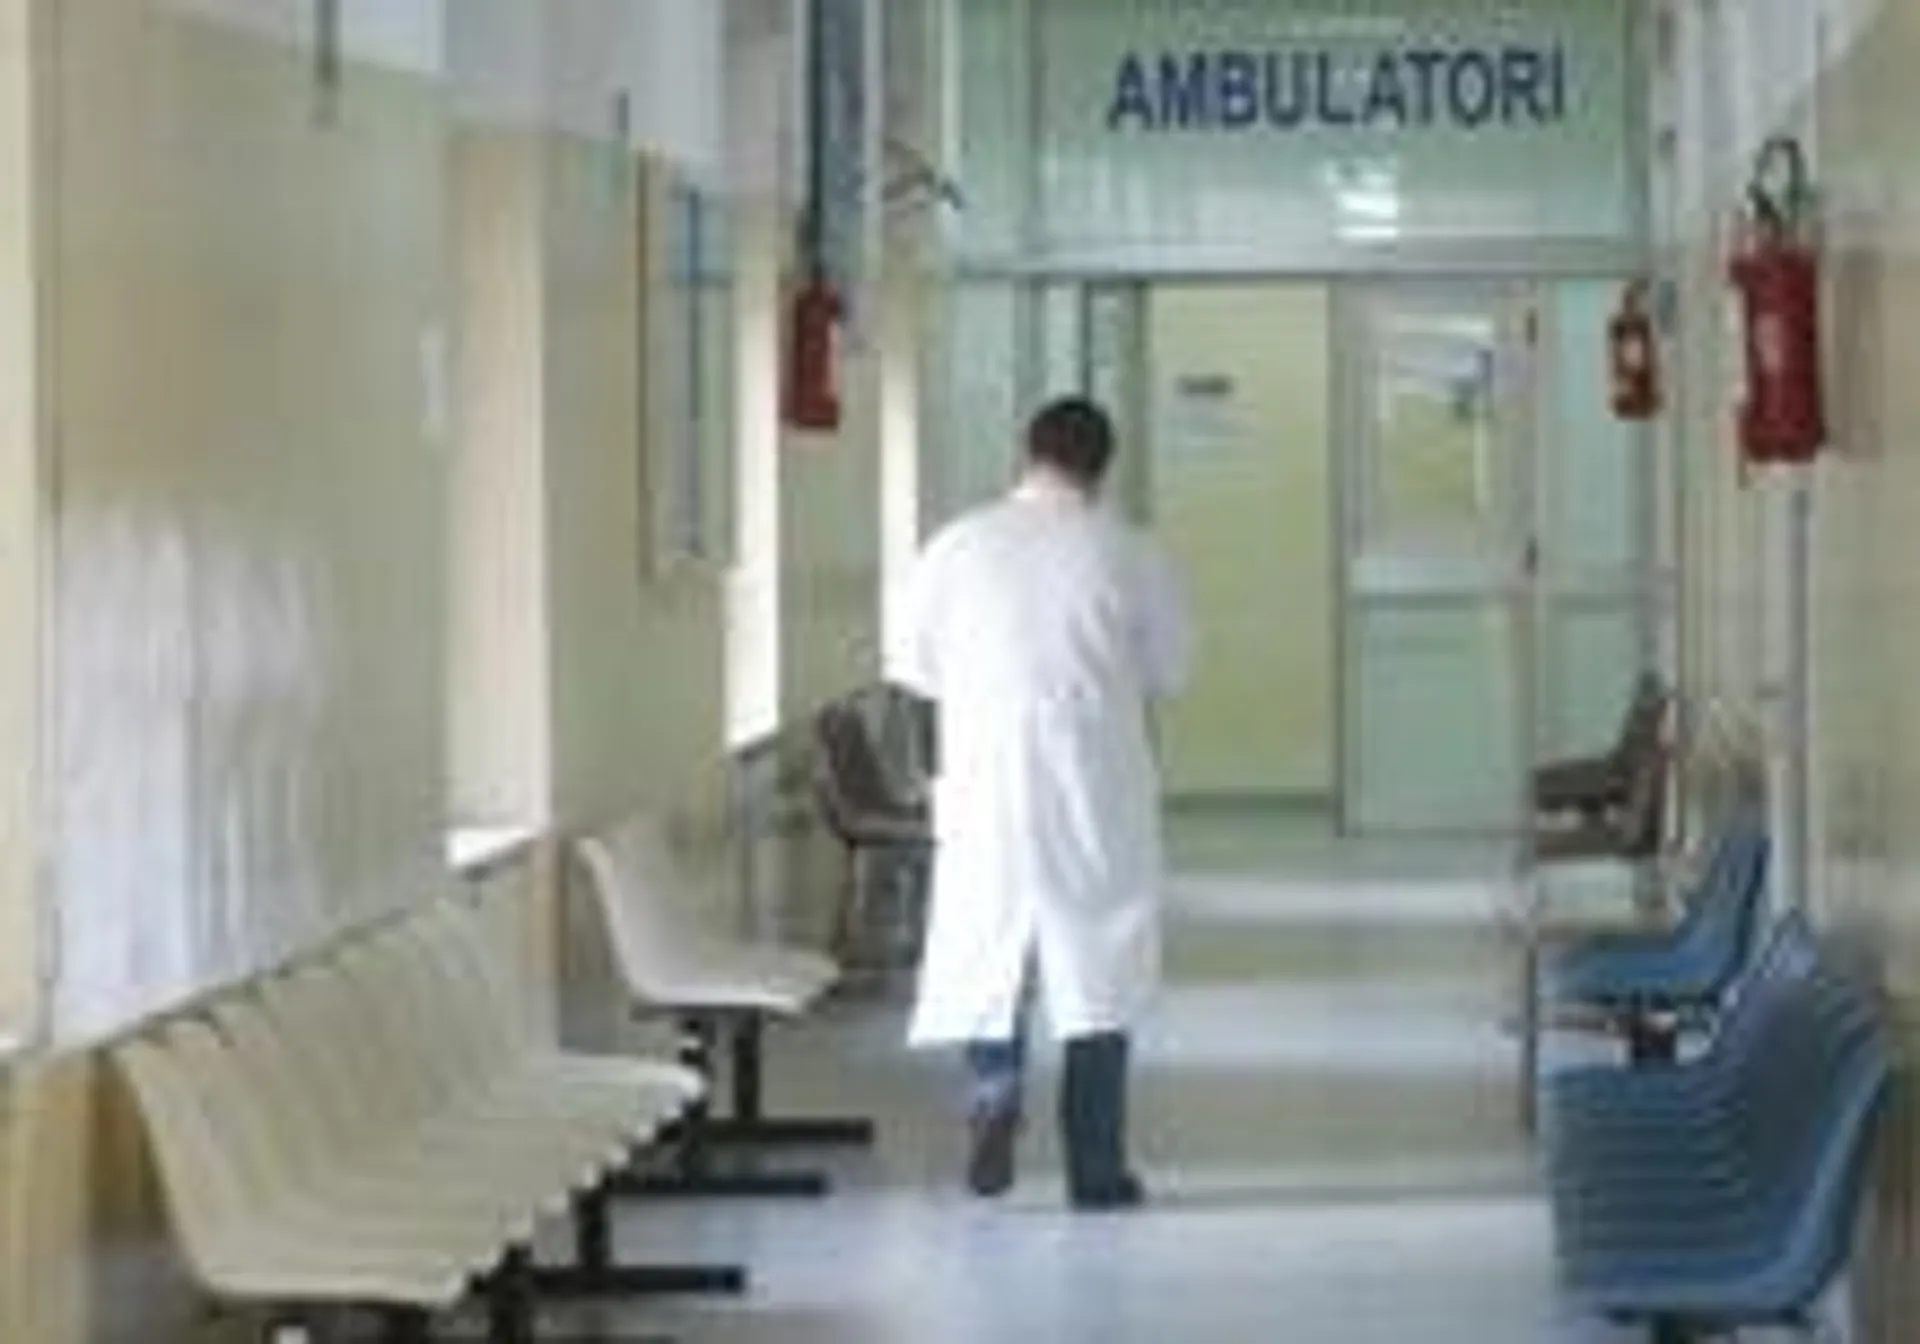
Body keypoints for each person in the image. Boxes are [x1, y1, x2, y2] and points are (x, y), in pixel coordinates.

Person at [888, 396, 1192, 1210]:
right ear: (1103, 466)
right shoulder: (1129, 551)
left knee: (989, 946)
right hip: (1092, 780)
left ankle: (993, 1095)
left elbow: (913, 666)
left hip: (986, 780)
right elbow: (1169, 670)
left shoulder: (957, 544)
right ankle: (1097, 1168)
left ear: (1025, 453)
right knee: (1101, 963)